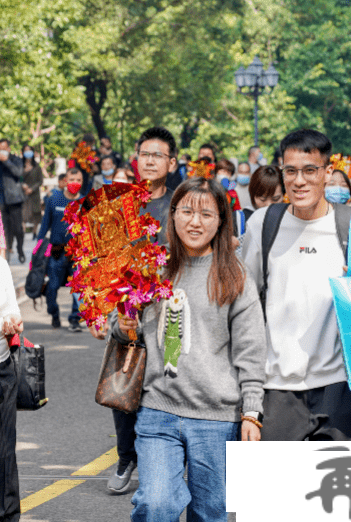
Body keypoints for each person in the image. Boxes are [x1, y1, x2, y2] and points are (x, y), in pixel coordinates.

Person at [110, 177, 265, 522]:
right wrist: (122, 326)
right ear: (173, 215)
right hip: (156, 410)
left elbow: (251, 349)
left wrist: (251, 412)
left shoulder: (234, 276)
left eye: (207, 214)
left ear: (221, 221)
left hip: (216, 418)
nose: (195, 222)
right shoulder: (151, 267)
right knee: (156, 504)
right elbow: (117, 323)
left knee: (211, 513)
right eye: (187, 212)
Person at [242, 129, 351, 441]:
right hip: (276, 385)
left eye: (310, 170)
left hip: (337, 383)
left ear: (327, 173)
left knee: (331, 486)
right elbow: (245, 297)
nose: (299, 181)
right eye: (291, 171)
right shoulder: (262, 224)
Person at [89, 126, 178, 494]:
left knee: (170, 387)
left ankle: (169, 462)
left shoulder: (181, 202)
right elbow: (99, 258)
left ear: (171, 163)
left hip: (170, 309)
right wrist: (98, 307)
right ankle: (126, 458)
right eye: (145, 154)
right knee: (124, 387)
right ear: (136, 160)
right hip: (126, 308)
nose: (151, 160)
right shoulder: (118, 205)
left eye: (159, 155)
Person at [36, 167, 85, 330]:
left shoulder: (85, 203)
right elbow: (44, 227)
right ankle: (54, 313)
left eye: (78, 180)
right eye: (72, 180)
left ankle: (74, 319)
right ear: (65, 182)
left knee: (79, 287)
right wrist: (37, 251)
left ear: (82, 182)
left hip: (78, 254)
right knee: (52, 287)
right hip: (57, 253)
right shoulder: (54, 200)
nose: (75, 184)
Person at [0, 139, 25, 263]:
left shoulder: (16, 160)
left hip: (15, 200)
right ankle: (7, 253)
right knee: (5, 229)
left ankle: (20, 249)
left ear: (8, 149)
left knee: (18, 228)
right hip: (0, 200)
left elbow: (18, 173)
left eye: (4, 148)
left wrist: (6, 161)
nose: (2, 151)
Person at [21, 144, 44, 239]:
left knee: (36, 213)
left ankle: (35, 232)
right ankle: (22, 231)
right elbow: (16, 178)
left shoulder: (37, 167)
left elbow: (40, 181)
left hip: (34, 194)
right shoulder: (19, 166)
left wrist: (32, 189)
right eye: (25, 151)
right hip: (23, 193)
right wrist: (23, 185)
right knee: (22, 213)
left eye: (29, 151)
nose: (28, 153)